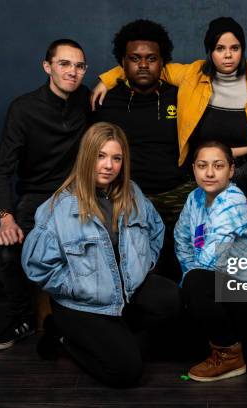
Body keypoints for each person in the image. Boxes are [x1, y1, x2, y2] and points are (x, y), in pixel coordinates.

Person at [92, 17, 247, 238]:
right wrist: (108, 78)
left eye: (235, 48)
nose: (228, 55)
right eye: (220, 48)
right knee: (210, 240)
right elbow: (148, 65)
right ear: (210, 52)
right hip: (209, 174)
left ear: (242, 50)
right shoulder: (191, 75)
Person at [21, 122, 180, 388]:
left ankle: (117, 333)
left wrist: (144, 264)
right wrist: (81, 287)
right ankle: (62, 337)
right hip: (82, 304)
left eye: (116, 158)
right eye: (100, 156)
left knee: (172, 300)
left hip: (126, 292)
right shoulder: (58, 208)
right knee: (125, 372)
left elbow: (155, 229)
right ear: (86, 157)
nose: (109, 165)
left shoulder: (133, 193)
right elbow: (38, 267)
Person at [0, 39, 90, 350]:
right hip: (36, 195)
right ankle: (23, 319)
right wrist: (6, 218)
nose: (72, 71)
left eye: (79, 66)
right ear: (48, 67)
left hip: (77, 194)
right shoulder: (23, 108)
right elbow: (1, 171)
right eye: (64, 64)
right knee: (9, 251)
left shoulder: (89, 101)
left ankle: (86, 318)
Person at [93, 19, 195, 282]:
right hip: (127, 196)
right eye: (135, 58)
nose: (143, 64)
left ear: (163, 63)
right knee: (138, 267)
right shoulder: (106, 100)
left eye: (151, 58)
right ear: (123, 63)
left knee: (186, 260)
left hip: (177, 193)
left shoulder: (181, 95)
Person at [174, 140, 247, 382]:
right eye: (202, 165)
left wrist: (191, 290)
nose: (210, 172)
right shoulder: (194, 198)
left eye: (218, 165)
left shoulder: (232, 200)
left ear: (231, 171)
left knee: (195, 285)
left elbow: (210, 262)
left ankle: (230, 356)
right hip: (232, 291)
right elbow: (181, 240)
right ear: (194, 169)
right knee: (188, 293)